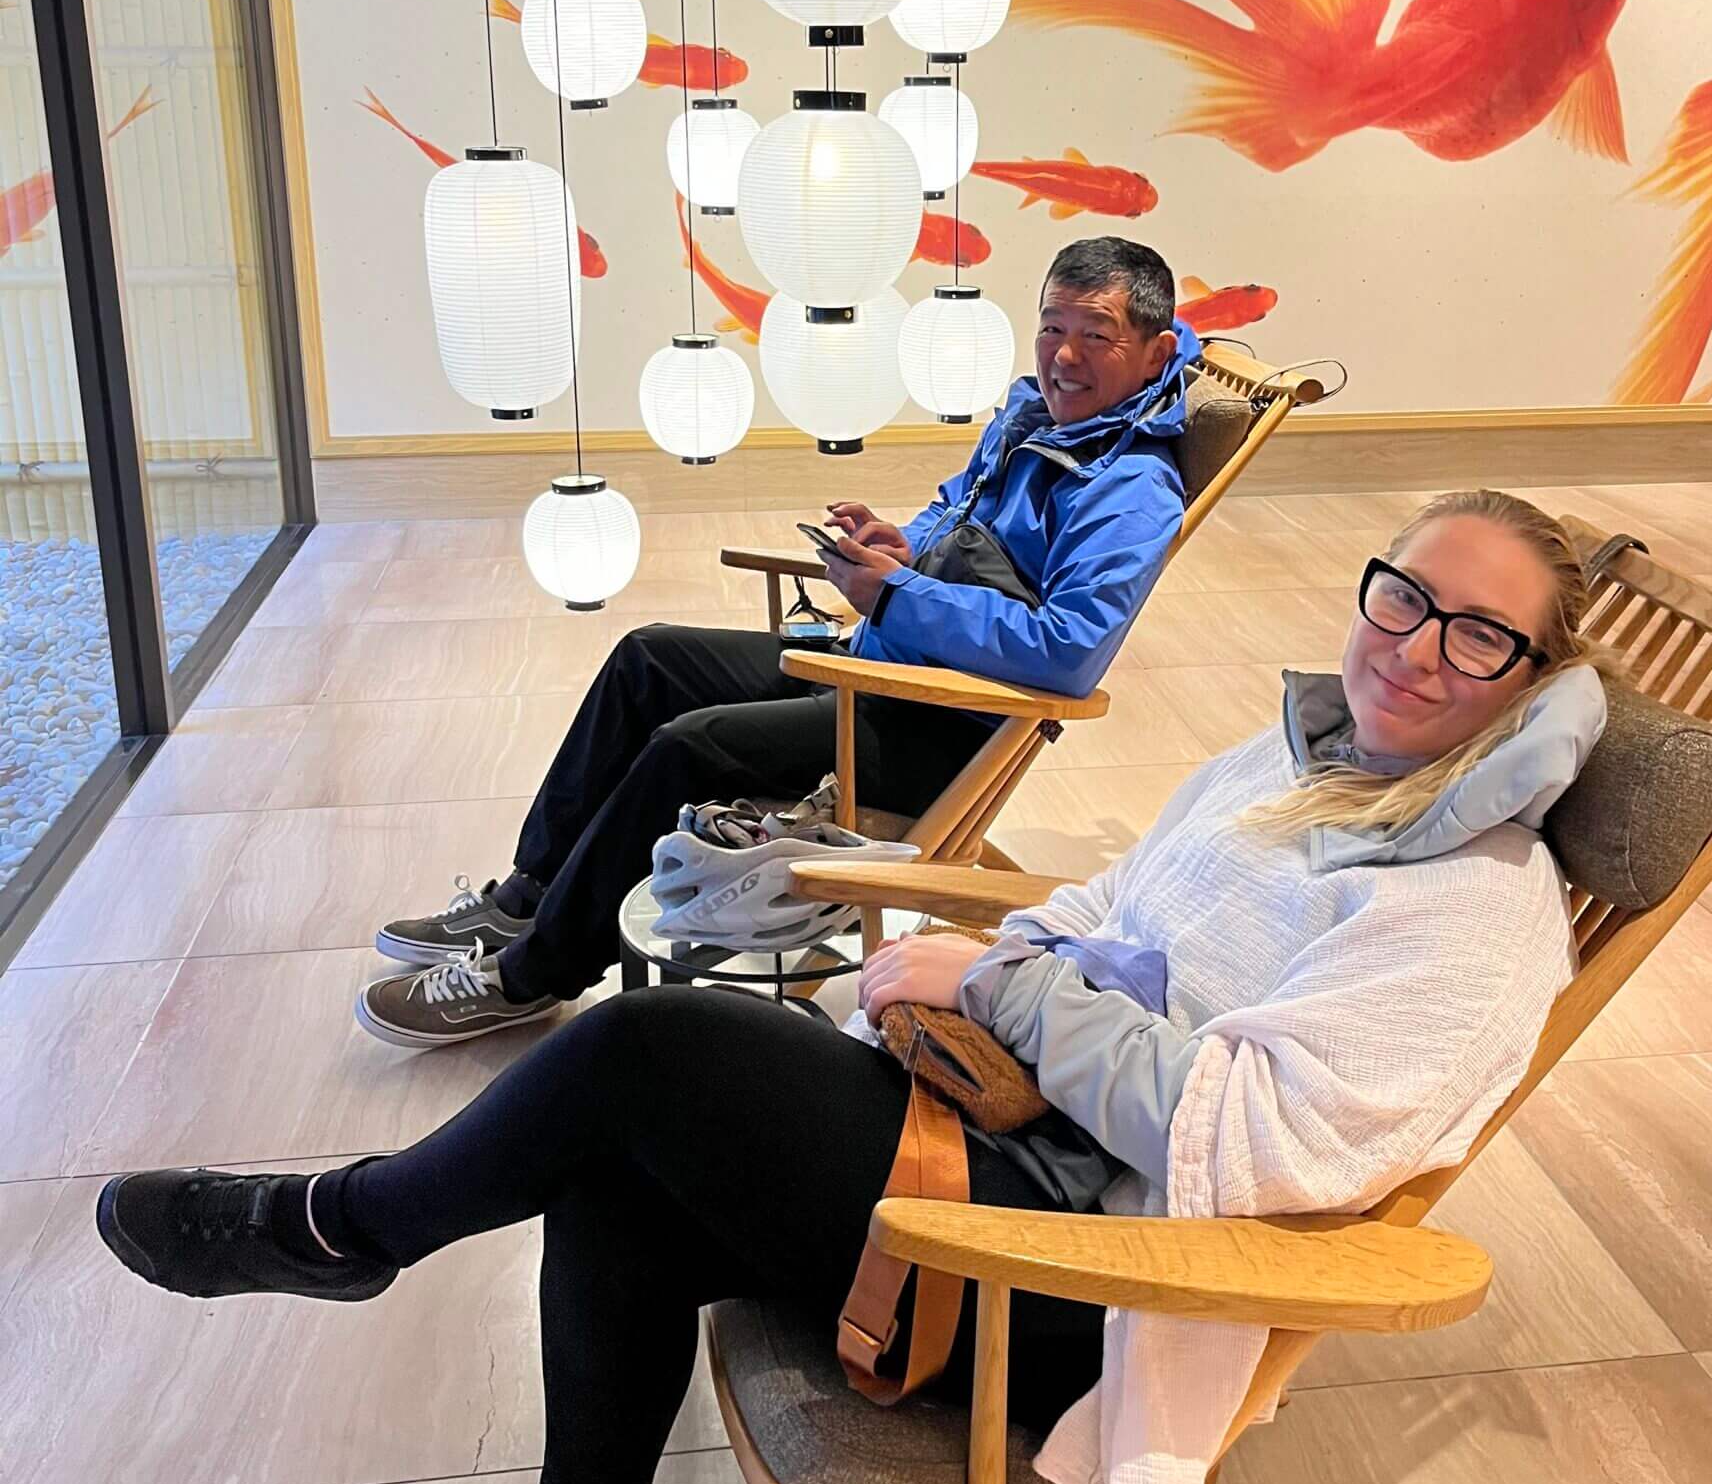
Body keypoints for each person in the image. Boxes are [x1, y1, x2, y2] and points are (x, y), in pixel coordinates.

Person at [99, 490, 1606, 1484]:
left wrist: (1007, 993)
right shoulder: (1300, 767)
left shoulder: (1473, 913)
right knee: (618, 1175)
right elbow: (1102, 908)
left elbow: (1251, 1136)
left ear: (1533, 683)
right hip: (1001, 1146)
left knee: (647, 1051)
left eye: (1479, 635)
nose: (1416, 649)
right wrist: (968, 974)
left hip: (1089, 1279)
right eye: (1402, 595)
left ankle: (337, 1226)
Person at [356, 237, 1197, 1046]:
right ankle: (534, 891)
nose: (1064, 356)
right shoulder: (1035, 420)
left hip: (942, 720)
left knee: (691, 748)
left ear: (1155, 354)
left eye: (1097, 336)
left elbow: (1067, 650)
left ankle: (531, 974)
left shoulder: (1130, 488)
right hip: (885, 663)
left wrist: (899, 594)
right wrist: (902, 545)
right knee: (648, 657)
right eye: (1053, 326)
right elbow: (960, 520)